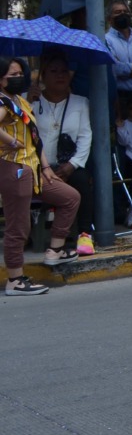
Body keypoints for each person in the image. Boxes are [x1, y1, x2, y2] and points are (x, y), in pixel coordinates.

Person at [0, 58, 80, 294]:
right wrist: (9, 140)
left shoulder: (21, 101)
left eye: (19, 73)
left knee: (70, 197)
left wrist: (45, 167)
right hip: (14, 167)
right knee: (19, 226)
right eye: (11, 75)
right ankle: (15, 279)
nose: (18, 77)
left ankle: (55, 250)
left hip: (34, 168)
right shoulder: (3, 102)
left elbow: (35, 138)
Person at [30, 52, 95, 248]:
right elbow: (25, 136)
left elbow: (85, 136)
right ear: (43, 75)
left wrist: (72, 165)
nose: (60, 75)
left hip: (67, 164)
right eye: (54, 71)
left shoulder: (80, 102)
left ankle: (85, 234)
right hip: (38, 165)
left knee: (83, 180)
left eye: (64, 71)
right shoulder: (32, 101)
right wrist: (27, 102)